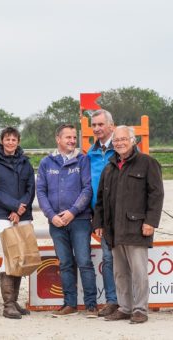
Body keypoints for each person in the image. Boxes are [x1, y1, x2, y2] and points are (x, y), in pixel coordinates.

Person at [93, 126, 164, 324]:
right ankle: (125, 308)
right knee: (120, 272)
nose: (119, 143)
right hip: (113, 230)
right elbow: (100, 200)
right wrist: (98, 222)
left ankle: (140, 309)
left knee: (139, 272)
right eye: (116, 140)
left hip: (137, 227)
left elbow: (156, 195)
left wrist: (150, 221)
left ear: (133, 140)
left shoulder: (147, 163)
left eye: (124, 139)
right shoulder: (109, 167)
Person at [36, 124, 98, 318]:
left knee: (84, 261)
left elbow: (87, 189)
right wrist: (51, 215)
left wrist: (73, 211)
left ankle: (91, 305)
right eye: (68, 137)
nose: (72, 141)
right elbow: (41, 192)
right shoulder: (46, 162)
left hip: (79, 219)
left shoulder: (83, 160)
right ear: (58, 139)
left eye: (74, 137)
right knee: (64, 263)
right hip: (56, 222)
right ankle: (69, 304)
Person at [0, 127, 35, 319]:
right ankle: (7, 305)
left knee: (19, 257)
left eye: (14, 139)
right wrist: (13, 206)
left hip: (22, 214)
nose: (11, 142)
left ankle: (13, 301)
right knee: (9, 253)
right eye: (7, 139)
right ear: (2, 140)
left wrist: (19, 209)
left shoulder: (25, 162)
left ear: (18, 141)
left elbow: (31, 188)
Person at [86, 109, 118, 317]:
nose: (97, 128)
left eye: (100, 124)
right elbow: (89, 185)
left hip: (124, 212)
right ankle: (112, 301)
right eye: (94, 125)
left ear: (111, 126)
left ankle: (131, 300)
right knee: (108, 258)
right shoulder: (91, 153)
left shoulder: (123, 147)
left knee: (127, 258)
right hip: (101, 214)